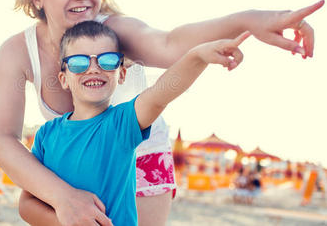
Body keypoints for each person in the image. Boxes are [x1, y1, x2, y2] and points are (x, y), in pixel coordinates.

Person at [0, 0, 323, 226]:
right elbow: (4, 140)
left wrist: (251, 19)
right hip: (79, 155)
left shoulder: (115, 32)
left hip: (141, 155)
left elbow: (171, 45)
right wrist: (63, 197)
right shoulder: (18, 52)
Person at [22, 20, 249, 225]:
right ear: (64, 78)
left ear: (121, 74)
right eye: (79, 62)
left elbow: (163, 92)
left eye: (107, 61)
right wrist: (67, 219)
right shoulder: (46, 134)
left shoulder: (122, 124)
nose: (93, 68)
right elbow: (26, 205)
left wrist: (197, 56)